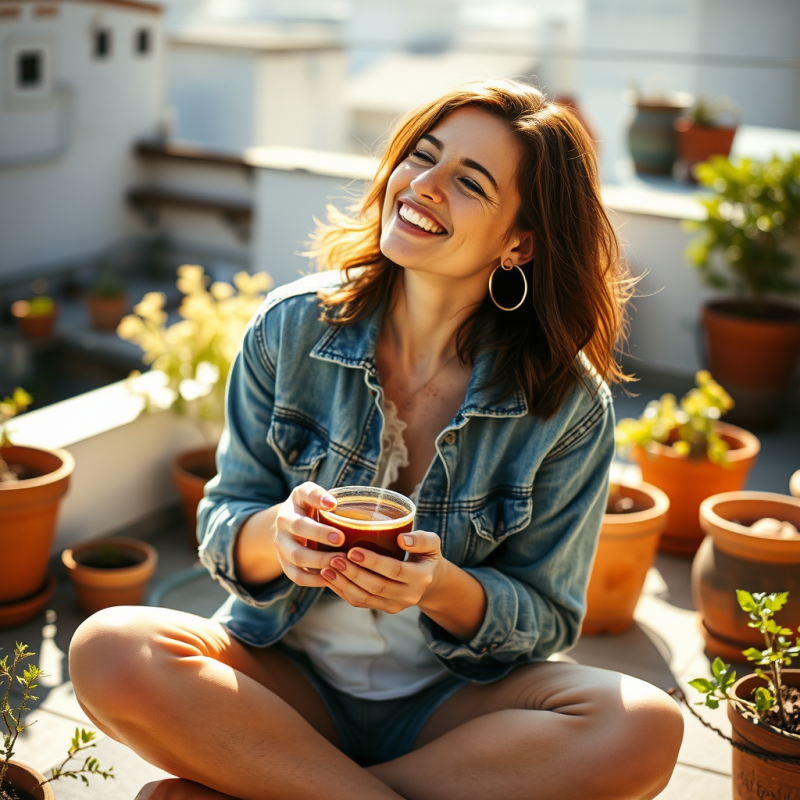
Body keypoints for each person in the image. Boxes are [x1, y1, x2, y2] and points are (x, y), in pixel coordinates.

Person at [69, 79, 684, 800]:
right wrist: (280, 535)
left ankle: (280, 786)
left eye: (468, 183)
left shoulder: (567, 404)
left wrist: (438, 586)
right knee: (109, 650)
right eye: (421, 157)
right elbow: (224, 518)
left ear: (519, 243)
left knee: (644, 726)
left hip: (451, 709)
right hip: (281, 675)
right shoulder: (291, 328)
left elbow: (546, 618)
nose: (422, 186)